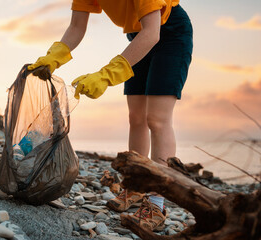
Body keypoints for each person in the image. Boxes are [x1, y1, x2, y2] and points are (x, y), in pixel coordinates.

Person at [28, 0, 193, 232]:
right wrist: (55, 55)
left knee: (156, 119)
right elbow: (76, 27)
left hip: (169, 35)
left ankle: (156, 203)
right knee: (136, 117)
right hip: (138, 37)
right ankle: (135, 187)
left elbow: (153, 33)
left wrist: (106, 75)